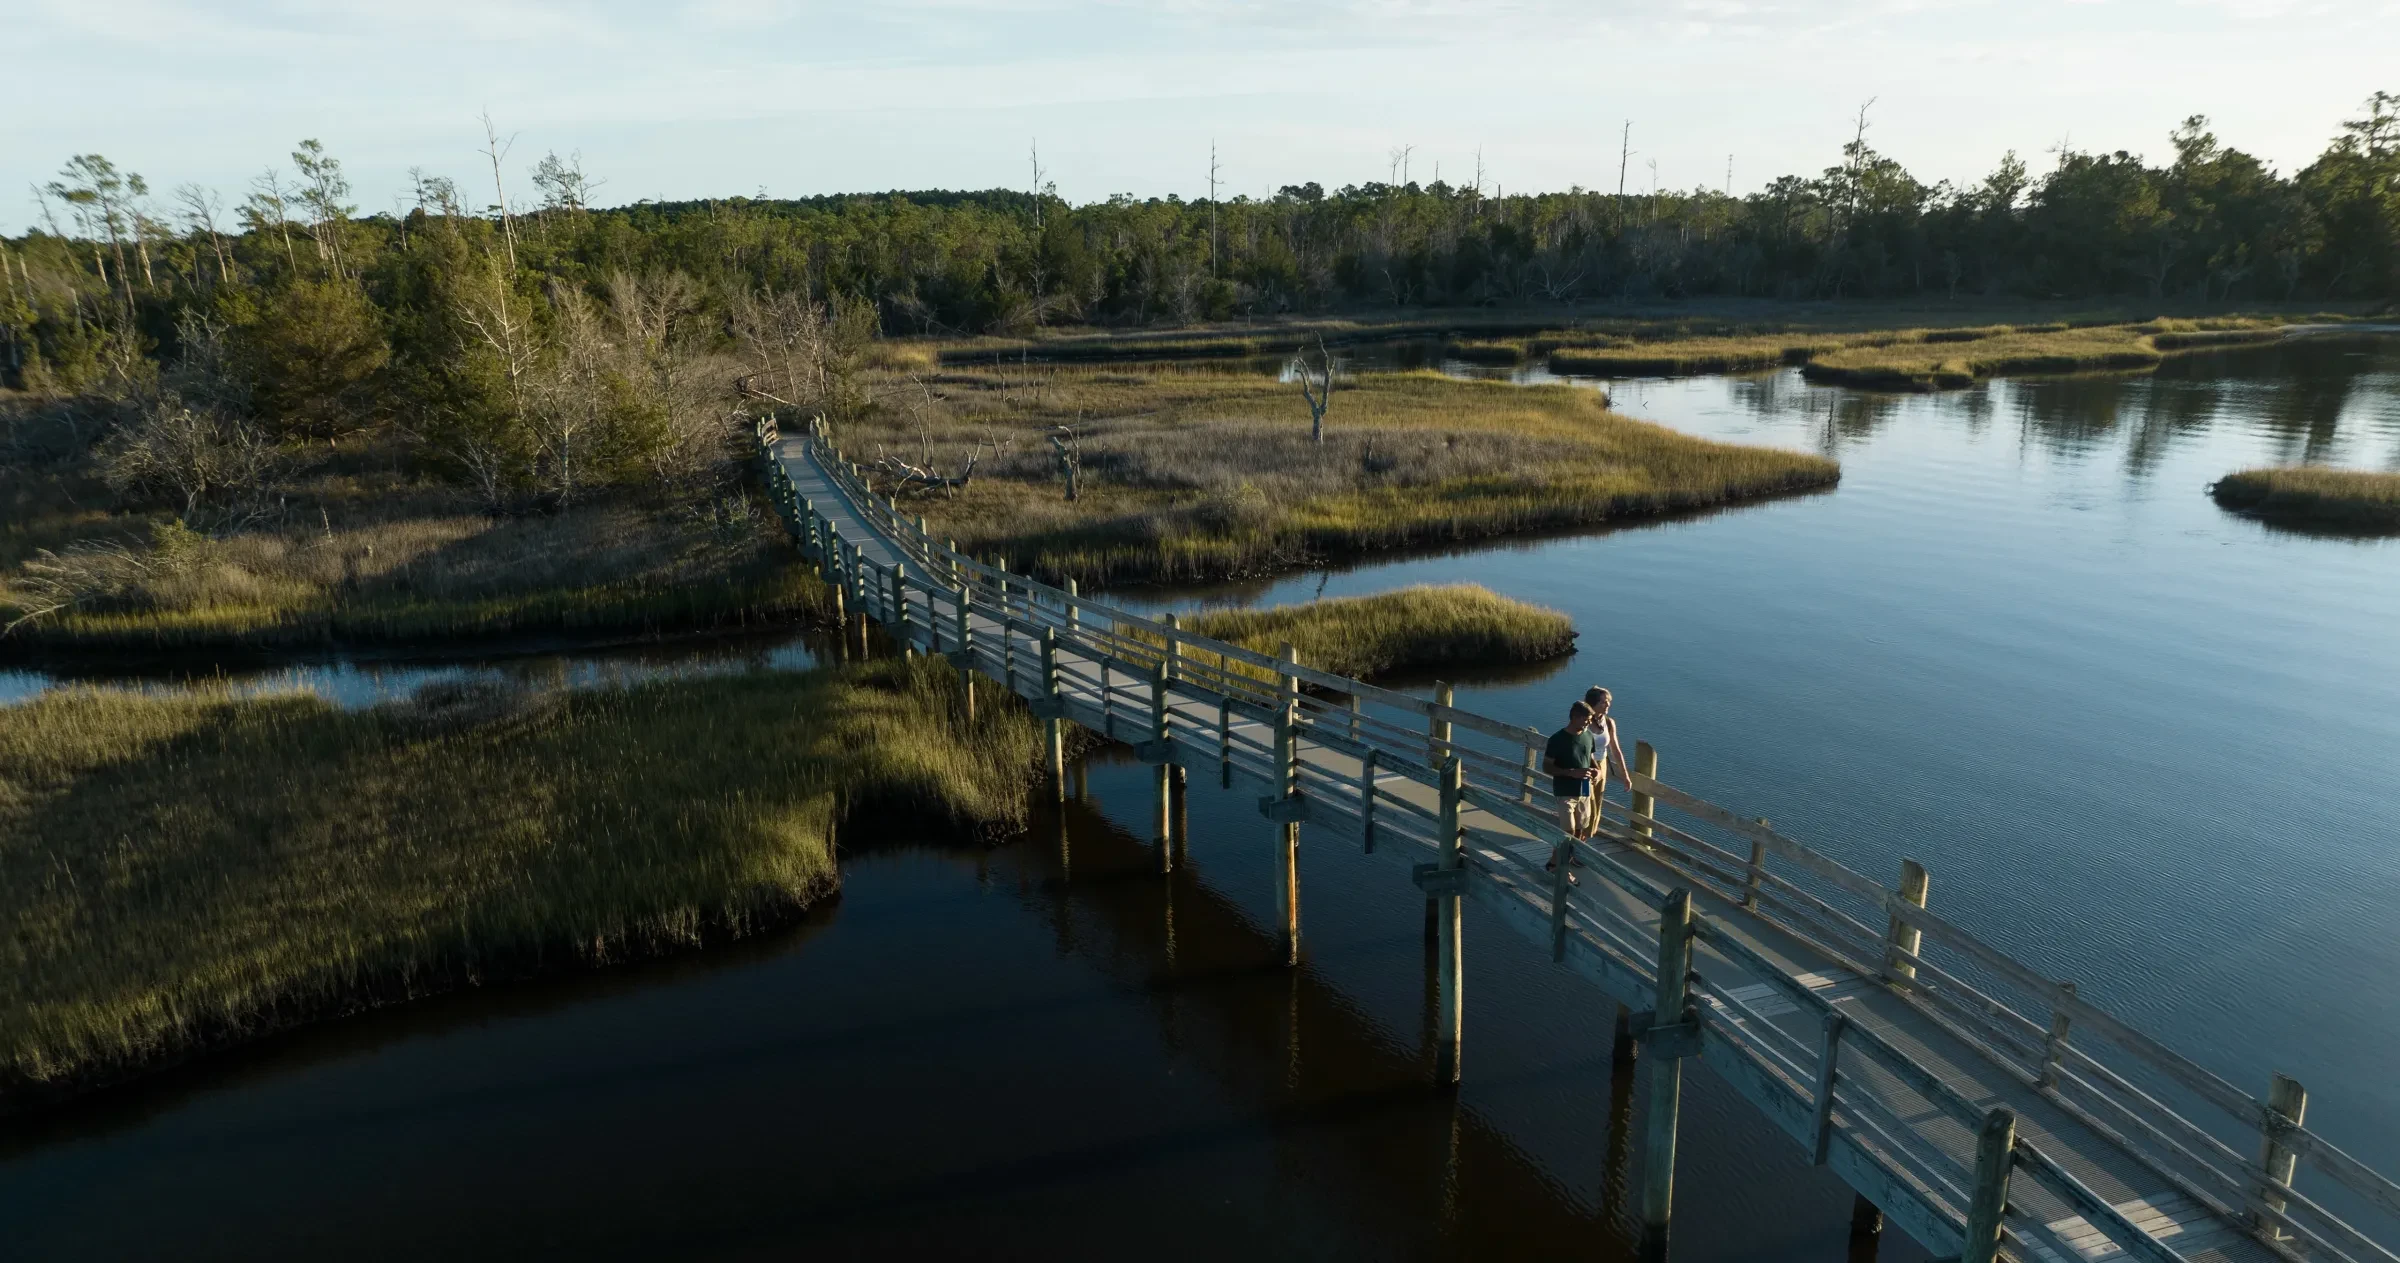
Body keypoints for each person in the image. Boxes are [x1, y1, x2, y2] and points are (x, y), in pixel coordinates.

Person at [1543, 702, 1599, 877]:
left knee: (1580, 830)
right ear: (1574, 717)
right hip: (1565, 791)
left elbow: (1589, 757)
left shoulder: (1588, 736)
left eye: (1590, 720)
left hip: (1584, 789)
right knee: (1567, 832)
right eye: (1586, 719)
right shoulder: (1557, 739)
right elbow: (1546, 767)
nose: (1589, 723)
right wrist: (1571, 773)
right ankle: (1562, 870)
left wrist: (1596, 770)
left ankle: (1554, 863)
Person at [1581, 685, 1633, 829]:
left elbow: (1615, 750)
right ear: (1593, 704)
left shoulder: (1609, 723)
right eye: (1603, 702)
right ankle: (1575, 838)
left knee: (1597, 804)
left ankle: (1586, 837)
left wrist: (1625, 776)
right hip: (1584, 768)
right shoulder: (1583, 721)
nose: (1607, 704)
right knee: (1584, 803)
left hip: (1602, 766)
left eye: (1608, 701)